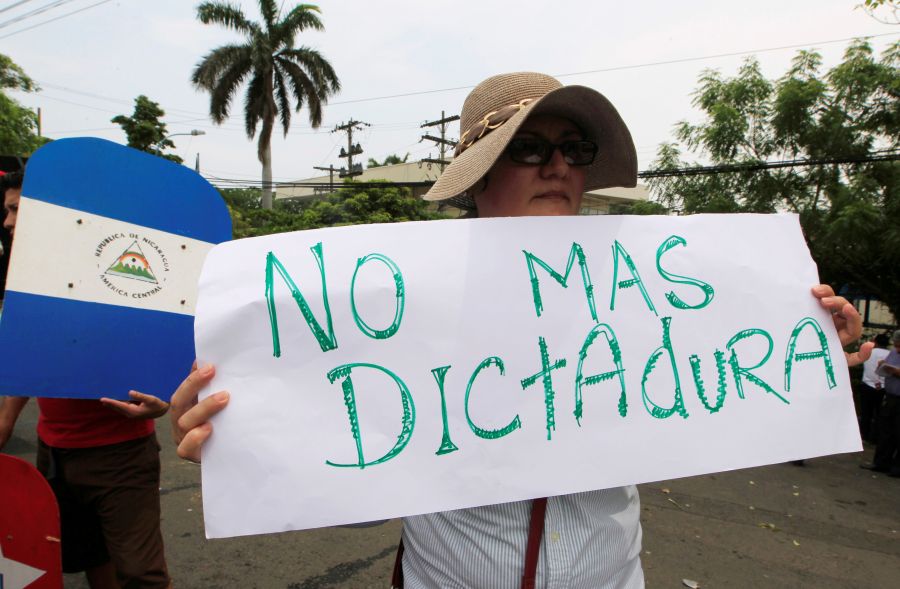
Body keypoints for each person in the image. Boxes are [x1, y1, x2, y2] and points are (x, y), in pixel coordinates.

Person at [169, 72, 873, 588]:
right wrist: (249, 442)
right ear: (478, 177)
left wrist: (814, 355)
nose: (560, 165)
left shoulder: (646, 287)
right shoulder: (393, 300)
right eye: (530, 148)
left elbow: (724, 398)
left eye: (575, 146)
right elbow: (357, 483)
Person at [0, 169, 174, 589]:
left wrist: (163, 399)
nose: (7, 221)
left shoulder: (116, 276)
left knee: (140, 573)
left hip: (119, 455)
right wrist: (6, 422)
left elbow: (163, 347)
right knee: (91, 558)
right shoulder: (31, 277)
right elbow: (30, 355)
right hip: (55, 451)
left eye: (15, 210)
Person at [861, 330, 900, 476]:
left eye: (899, 346)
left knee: (898, 432)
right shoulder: (893, 353)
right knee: (885, 430)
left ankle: (897, 467)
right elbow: (882, 370)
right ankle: (881, 462)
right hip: (890, 396)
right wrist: (883, 366)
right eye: (896, 345)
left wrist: (894, 371)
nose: (897, 349)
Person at [858, 333, 890, 442]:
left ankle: (864, 435)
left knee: (866, 412)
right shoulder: (890, 355)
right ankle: (875, 437)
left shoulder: (869, 352)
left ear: (875, 342)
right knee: (880, 414)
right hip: (884, 388)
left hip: (867, 385)